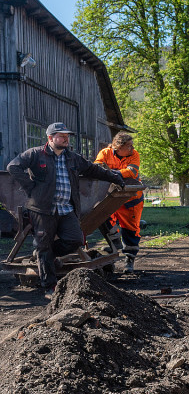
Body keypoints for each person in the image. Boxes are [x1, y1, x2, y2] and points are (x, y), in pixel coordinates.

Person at [7, 122, 125, 292]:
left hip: (66, 209)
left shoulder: (72, 158)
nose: (65, 139)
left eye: (67, 136)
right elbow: (13, 166)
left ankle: (45, 256)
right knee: (44, 245)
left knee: (74, 239)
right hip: (42, 210)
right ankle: (49, 286)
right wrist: (30, 187)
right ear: (50, 138)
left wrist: (115, 177)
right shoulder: (36, 154)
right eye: (61, 136)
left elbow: (93, 169)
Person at [94, 132, 143, 273]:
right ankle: (115, 244)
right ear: (118, 146)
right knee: (103, 219)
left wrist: (110, 173)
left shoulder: (134, 155)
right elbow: (96, 169)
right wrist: (115, 173)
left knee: (131, 229)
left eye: (131, 145)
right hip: (109, 197)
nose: (132, 148)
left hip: (131, 199)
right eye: (128, 146)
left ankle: (130, 259)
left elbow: (131, 172)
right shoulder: (105, 153)